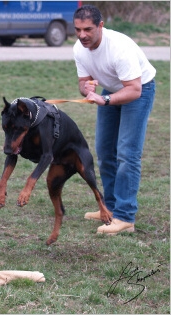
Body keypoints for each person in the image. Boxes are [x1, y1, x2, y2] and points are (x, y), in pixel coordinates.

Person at [72, 5, 156, 235]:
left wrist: (106, 100)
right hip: (110, 91)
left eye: (88, 29)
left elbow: (134, 89)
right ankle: (108, 208)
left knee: (127, 154)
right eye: (78, 30)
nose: (82, 35)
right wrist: (86, 87)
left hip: (138, 91)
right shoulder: (79, 49)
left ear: (100, 26)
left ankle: (125, 217)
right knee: (105, 151)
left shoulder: (119, 48)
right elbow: (83, 84)